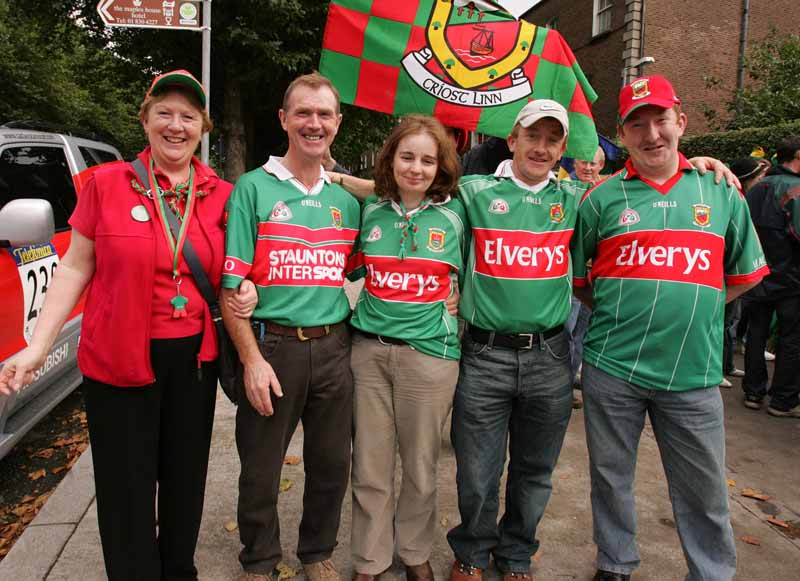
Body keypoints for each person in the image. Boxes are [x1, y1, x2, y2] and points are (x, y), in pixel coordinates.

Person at [328, 108, 739, 581]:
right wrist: (335, 181)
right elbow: (410, 190)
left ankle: (517, 555)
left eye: (551, 139)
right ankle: (471, 555)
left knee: (535, 472)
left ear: (563, 150)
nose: (541, 147)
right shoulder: (473, 194)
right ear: (512, 139)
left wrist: (699, 163)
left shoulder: (579, 197)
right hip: (484, 354)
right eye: (532, 136)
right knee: (476, 473)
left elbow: (643, 183)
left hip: (549, 356)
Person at [0, 70, 257, 580]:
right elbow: (75, 267)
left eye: (188, 116)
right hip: (117, 362)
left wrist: (248, 290)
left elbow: (241, 267)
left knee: (185, 482)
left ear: (203, 127)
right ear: (145, 120)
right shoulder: (105, 183)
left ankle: (178, 570)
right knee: (125, 488)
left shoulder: (224, 195)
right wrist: (37, 346)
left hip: (193, 363)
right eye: (164, 113)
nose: (176, 126)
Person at [572, 75, 768, 581]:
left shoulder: (721, 189)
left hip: (693, 372)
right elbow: (580, 280)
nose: (651, 134)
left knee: (703, 489)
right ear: (623, 132)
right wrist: (623, 305)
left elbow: (744, 274)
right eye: (637, 124)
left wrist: (696, 305)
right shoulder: (598, 200)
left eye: (659, 120)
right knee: (611, 479)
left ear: (680, 122)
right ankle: (615, 564)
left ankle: (710, 573)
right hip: (612, 367)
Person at [219, 72, 360, 581]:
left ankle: (317, 552)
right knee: (260, 469)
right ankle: (258, 559)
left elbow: (369, 268)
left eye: (324, 114)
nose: (314, 123)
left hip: (333, 348)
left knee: (330, 466)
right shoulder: (252, 189)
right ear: (284, 119)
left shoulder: (347, 203)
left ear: (338, 124)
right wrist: (251, 361)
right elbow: (232, 290)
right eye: (303, 112)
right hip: (272, 347)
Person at [347, 115, 467, 581]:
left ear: (441, 167)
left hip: (431, 356)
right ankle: (370, 560)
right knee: (371, 465)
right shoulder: (371, 209)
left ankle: (414, 552)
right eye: (407, 157)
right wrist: (337, 176)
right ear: (391, 159)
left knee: (420, 465)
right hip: (370, 353)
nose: (416, 168)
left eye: (427, 160)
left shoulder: (460, 210)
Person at [740, 136, 800, 417]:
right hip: (790, 279)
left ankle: (753, 391)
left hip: (757, 273)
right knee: (791, 338)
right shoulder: (795, 190)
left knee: (756, 332)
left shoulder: (758, 187)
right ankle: (783, 400)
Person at [719, 157, 771, 387]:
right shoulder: (729, 197)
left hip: (739, 273)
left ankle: (726, 364)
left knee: (734, 320)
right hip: (724, 273)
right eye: (760, 177)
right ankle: (720, 365)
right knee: (724, 322)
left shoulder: (741, 198)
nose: (763, 181)